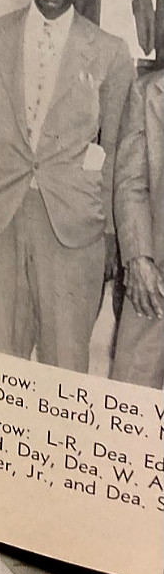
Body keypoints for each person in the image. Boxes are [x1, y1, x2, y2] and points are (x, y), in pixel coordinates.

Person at [0, 0, 134, 371]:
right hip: (2, 212)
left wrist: (110, 232)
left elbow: (113, 148)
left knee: (66, 357)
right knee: (3, 350)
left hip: (73, 222)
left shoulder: (110, 51)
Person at [111, 69, 164, 388]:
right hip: (154, 285)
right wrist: (138, 259)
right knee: (132, 392)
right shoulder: (148, 92)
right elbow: (131, 183)